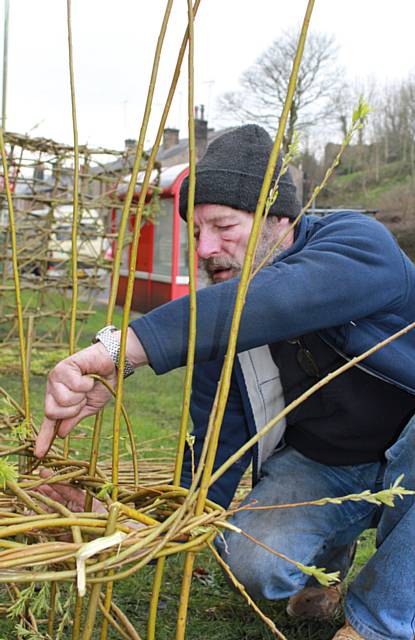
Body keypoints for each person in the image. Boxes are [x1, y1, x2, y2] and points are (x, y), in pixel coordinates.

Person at [35, 125, 415, 640]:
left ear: (280, 218)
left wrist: (122, 351)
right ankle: (329, 553)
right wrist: (127, 522)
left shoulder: (356, 244)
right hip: (329, 465)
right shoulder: (223, 326)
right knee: (253, 564)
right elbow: (212, 454)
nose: (206, 247)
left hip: (407, 448)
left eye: (223, 225)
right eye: (196, 232)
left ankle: (378, 626)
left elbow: (285, 297)